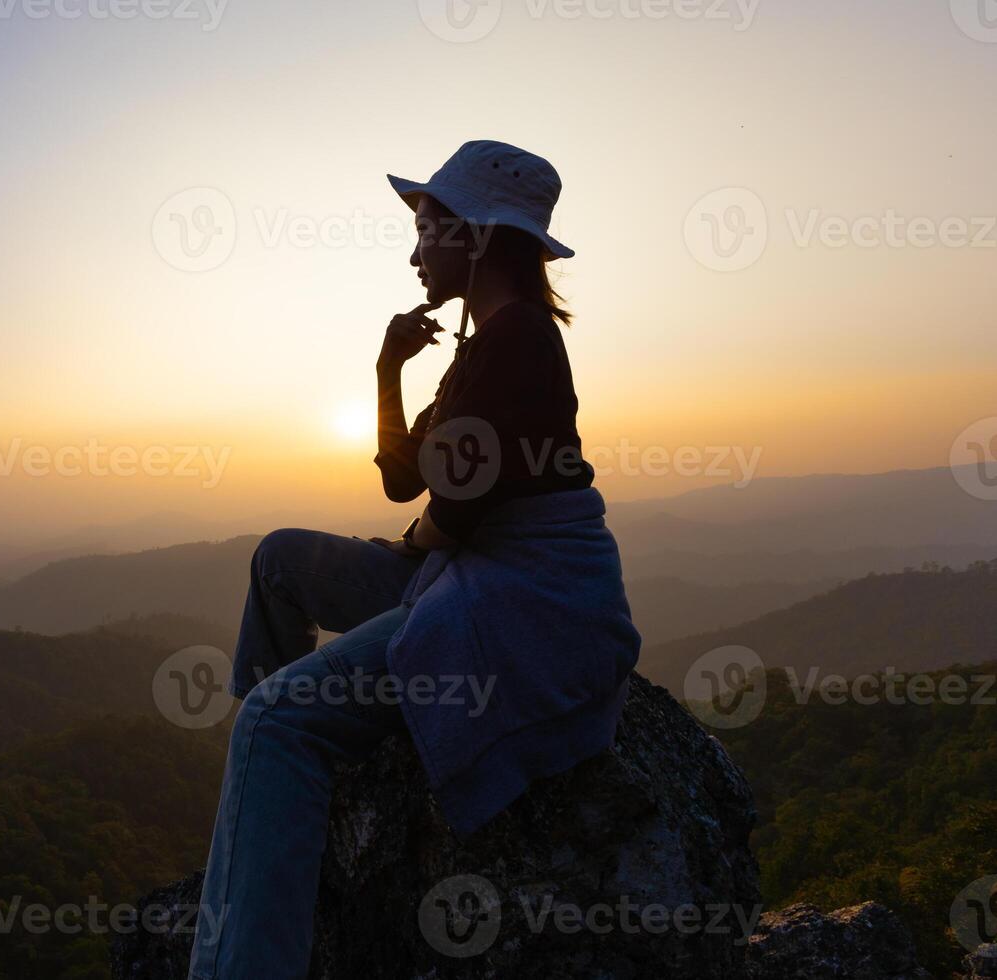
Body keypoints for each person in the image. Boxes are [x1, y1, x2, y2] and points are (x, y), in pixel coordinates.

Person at [186, 140, 642, 980]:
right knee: (279, 560)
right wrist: (387, 371)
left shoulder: (516, 348)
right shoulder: (486, 346)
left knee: (276, 720)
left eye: (428, 226)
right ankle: (265, 795)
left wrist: (411, 547)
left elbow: (450, 520)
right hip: (462, 564)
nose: (413, 249)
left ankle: (272, 788)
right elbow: (407, 484)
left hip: (515, 593)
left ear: (473, 237)